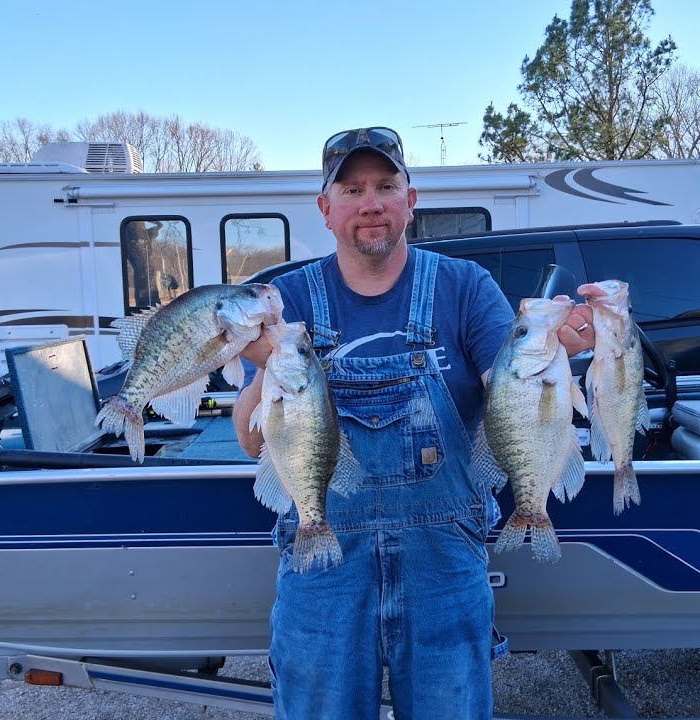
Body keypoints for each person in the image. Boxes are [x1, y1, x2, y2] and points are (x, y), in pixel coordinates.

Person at [232, 126, 599, 719]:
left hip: (443, 564)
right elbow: (252, 443)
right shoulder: (287, 299)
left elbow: (500, 393)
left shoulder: (464, 287)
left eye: (385, 185)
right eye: (351, 190)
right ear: (325, 209)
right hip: (324, 563)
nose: (370, 203)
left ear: (411, 200)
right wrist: (258, 374)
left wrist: (557, 356)